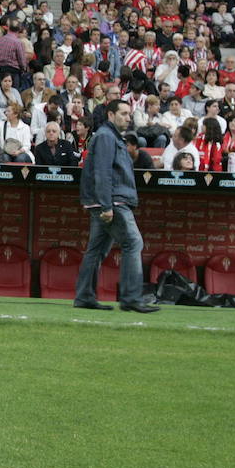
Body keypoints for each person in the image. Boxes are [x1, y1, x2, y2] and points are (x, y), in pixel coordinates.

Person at [74, 99, 158, 314]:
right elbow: (102, 172)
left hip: (108, 200)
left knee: (96, 250)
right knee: (133, 242)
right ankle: (130, 298)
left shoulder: (110, 136)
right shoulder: (105, 136)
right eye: (123, 113)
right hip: (113, 201)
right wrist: (106, 205)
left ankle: (84, 296)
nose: (128, 117)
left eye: (129, 114)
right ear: (111, 115)